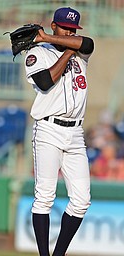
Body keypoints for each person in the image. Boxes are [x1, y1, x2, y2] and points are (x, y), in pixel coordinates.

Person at [23, 7, 94, 256]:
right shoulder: (37, 53)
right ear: (54, 25)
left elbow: (89, 43)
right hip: (49, 129)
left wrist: (53, 39)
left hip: (75, 133)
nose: (70, 32)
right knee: (44, 197)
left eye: (73, 30)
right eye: (65, 28)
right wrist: (63, 49)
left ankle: (59, 254)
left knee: (82, 200)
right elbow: (45, 82)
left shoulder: (81, 53)